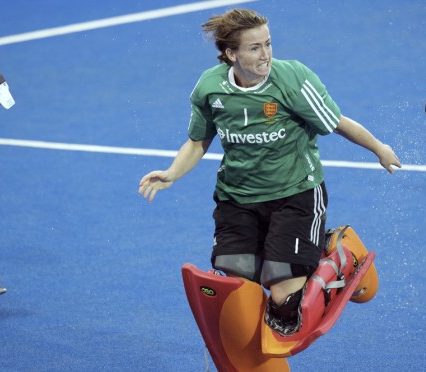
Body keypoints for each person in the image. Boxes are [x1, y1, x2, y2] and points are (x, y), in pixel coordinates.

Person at [139, 8, 401, 335]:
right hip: (237, 199)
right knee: (236, 281)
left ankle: (335, 255)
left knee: (284, 301)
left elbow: (337, 123)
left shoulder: (292, 79)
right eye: (255, 48)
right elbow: (197, 142)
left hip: (296, 195)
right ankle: (303, 252)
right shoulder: (210, 88)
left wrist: (378, 147)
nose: (266, 55)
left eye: (268, 43)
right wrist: (172, 173)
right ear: (230, 53)